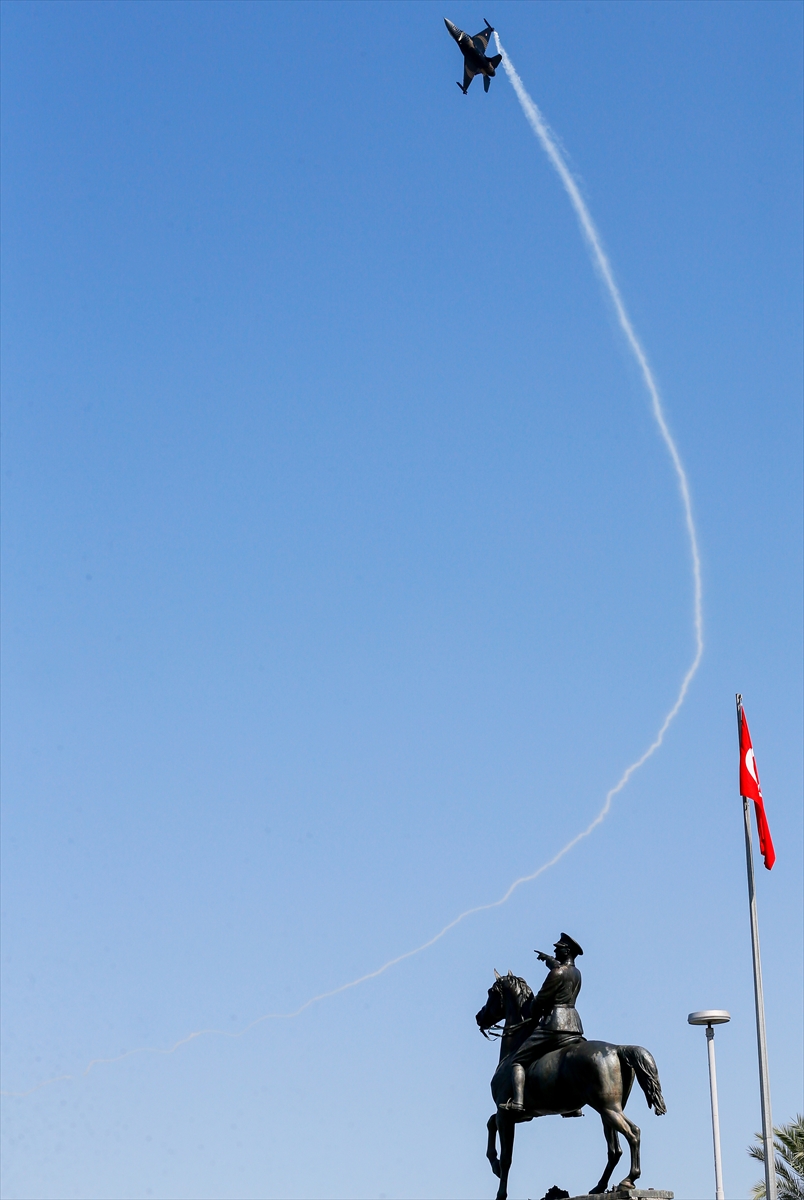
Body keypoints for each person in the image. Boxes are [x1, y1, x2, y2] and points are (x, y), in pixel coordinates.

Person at [498, 932, 585, 1114]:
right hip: (574, 1027)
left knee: (517, 1060)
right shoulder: (576, 973)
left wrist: (531, 1009)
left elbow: (540, 1001)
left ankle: (518, 1102)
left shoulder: (557, 973)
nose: (554, 950)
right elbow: (562, 971)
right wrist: (548, 960)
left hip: (554, 1025)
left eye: (558, 949)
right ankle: (571, 1108)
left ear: (566, 950)